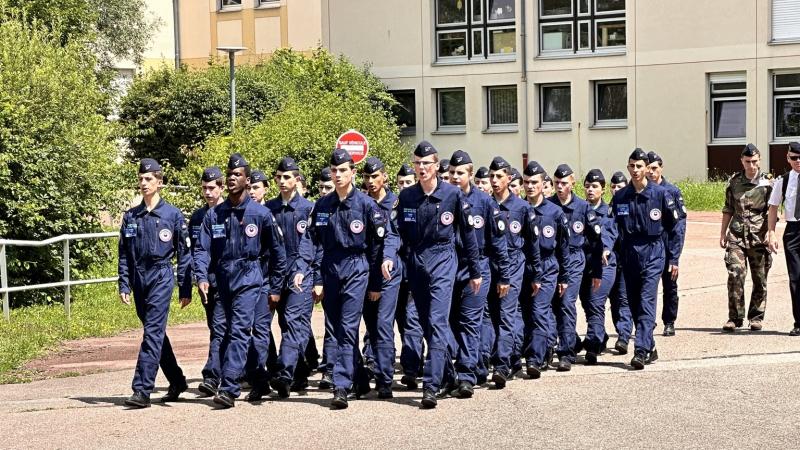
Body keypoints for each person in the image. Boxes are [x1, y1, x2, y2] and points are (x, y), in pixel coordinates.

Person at [194, 153, 287, 408]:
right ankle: (259, 380)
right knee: (222, 329)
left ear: (247, 181)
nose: (233, 178)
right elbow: (201, 248)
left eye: (238, 175)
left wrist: (276, 287)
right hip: (223, 277)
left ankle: (230, 387)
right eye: (230, 174)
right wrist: (201, 275)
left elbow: (278, 253)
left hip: (249, 275)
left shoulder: (261, 214)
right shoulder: (215, 215)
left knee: (239, 329)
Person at [308, 148, 395, 409]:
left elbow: (379, 244)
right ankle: (358, 379)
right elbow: (312, 241)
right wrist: (308, 271)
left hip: (357, 268)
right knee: (336, 329)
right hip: (331, 269)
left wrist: (376, 282)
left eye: (343, 170)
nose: (337, 175)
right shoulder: (323, 205)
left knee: (347, 328)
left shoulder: (367, 205)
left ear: (353, 173)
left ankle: (341, 385)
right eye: (334, 170)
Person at [396, 141, 481, 408]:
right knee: (425, 322)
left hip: (444, 259)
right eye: (417, 164)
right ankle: (449, 377)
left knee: (437, 321)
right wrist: (390, 258)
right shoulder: (408, 197)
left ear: (436, 166)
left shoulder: (452, 195)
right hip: (417, 262)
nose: (421, 168)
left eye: (426, 164)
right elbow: (395, 232)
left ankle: (430, 386)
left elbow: (468, 235)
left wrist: (475, 271)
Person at [118, 158, 192, 408]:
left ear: (159, 183)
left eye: (148, 179)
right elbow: (124, 253)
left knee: (151, 332)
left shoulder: (172, 215)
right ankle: (177, 380)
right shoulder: (131, 216)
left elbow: (184, 253)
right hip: (139, 277)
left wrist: (185, 287)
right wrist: (124, 283)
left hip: (161, 275)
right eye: (140, 179)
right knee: (156, 333)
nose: (143, 183)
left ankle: (142, 389)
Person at [446, 150, 511, 398]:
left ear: (470, 174)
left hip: (479, 268)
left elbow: (498, 242)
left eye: (460, 173)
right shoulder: (444, 199)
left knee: (470, 321)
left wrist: (504, 276)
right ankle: (466, 367)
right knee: (451, 321)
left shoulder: (485, 203)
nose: (454, 177)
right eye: (451, 172)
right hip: (450, 266)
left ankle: (466, 376)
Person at [611, 148, 681, 369]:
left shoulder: (660, 194)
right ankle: (650, 346)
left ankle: (640, 350)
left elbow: (674, 226)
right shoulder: (621, 196)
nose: (635, 170)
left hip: (653, 251)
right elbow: (612, 226)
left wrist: (673, 257)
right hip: (629, 253)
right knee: (633, 303)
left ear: (647, 168)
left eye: (639, 166)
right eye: (631, 166)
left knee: (646, 301)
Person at [264, 157, 317, 397]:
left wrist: (317, 280)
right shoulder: (269, 210)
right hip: (276, 274)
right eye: (279, 177)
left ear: (297, 180)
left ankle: (284, 373)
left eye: (287, 177)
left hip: (301, 273)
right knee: (285, 323)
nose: (282, 181)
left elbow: (318, 246)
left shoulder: (309, 209)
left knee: (294, 321)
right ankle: (301, 373)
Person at [487, 157, 540, 387]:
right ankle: (505, 357)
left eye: (499, 176)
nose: (495, 180)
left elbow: (532, 243)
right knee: (490, 315)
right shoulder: (485, 204)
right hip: (489, 263)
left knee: (507, 314)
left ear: (509, 179)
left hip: (513, 262)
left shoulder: (522, 208)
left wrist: (537, 273)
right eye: (492, 176)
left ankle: (501, 365)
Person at [549, 164, 602, 371]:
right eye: (556, 183)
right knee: (551, 305)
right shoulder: (548, 206)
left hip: (573, 259)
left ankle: (566, 352)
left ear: (572, 183)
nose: (560, 187)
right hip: (551, 260)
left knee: (565, 304)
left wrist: (597, 270)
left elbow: (596, 241)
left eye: (564, 183)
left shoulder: (583, 207)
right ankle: (558, 344)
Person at [359, 157, 403, 399]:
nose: (371, 181)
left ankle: (385, 380)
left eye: (375, 176)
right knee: (372, 326)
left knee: (384, 325)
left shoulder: (394, 203)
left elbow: (396, 237)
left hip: (388, 273)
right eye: (366, 177)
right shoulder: (361, 203)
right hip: (363, 272)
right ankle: (373, 367)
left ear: (384, 176)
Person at [521, 161, 569, 379]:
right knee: (525, 313)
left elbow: (564, 248)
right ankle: (537, 349)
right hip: (523, 266)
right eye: (526, 182)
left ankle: (535, 359)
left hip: (547, 266)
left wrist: (565, 276)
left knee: (540, 311)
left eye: (534, 182)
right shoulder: (519, 209)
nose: (530, 186)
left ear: (543, 184)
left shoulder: (555, 213)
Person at [720, 144, 773, 332]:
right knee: (735, 274)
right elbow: (728, 208)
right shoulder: (734, 182)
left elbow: (772, 210)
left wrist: (770, 232)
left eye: (755, 162)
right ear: (742, 161)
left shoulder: (768, 182)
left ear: (759, 161)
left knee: (760, 278)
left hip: (759, 236)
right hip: (736, 235)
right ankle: (735, 317)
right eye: (748, 162)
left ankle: (756, 317)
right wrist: (722, 233)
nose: (751, 165)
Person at [188, 167, 226, 397]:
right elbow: (195, 251)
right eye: (204, 188)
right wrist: (197, 277)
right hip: (207, 280)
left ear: (221, 187)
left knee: (221, 328)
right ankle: (232, 369)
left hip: (229, 279)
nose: (208, 192)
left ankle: (212, 375)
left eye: (212, 188)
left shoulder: (229, 213)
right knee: (216, 326)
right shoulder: (198, 217)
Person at [241, 168, 279, 401]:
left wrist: (275, 286)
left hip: (266, 279)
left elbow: (278, 253)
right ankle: (263, 372)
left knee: (261, 329)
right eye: (249, 187)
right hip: (245, 281)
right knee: (248, 329)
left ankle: (261, 379)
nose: (252, 191)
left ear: (265, 188)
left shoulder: (270, 213)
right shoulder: (242, 213)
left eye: (256, 187)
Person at [578, 169, 617, 364]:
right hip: (584, 263)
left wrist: (605, 248)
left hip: (604, 264)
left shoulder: (608, 211)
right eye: (587, 186)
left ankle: (592, 346)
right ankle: (600, 336)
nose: (590, 190)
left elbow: (609, 232)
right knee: (586, 303)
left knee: (595, 302)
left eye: (595, 187)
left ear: (603, 190)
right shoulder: (581, 209)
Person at [646, 151, 687, 336]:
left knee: (670, 287)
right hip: (648, 249)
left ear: (661, 168)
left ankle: (669, 321)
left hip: (667, 246)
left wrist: (675, 257)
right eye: (648, 169)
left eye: (654, 168)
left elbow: (679, 227)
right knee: (647, 287)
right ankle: (648, 321)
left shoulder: (672, 191)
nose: (651, 172)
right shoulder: (642, 192)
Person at [767, 141, 800, 335]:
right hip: (793, 231)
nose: (798, 161)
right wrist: (771, 232)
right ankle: (799, 322)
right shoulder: (784, 180)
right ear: (788, 159)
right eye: (794, 158)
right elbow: (773, 208)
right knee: (795, 278)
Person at [608, 171, 633, 353]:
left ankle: (624, 336)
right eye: (614, 186)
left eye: (620, 187)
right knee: (614, 301)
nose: (616, 189)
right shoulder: (608, 208)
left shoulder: (630, 204)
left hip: (626, 259)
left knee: (624, 299)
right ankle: (620, 330)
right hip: (610, 261)